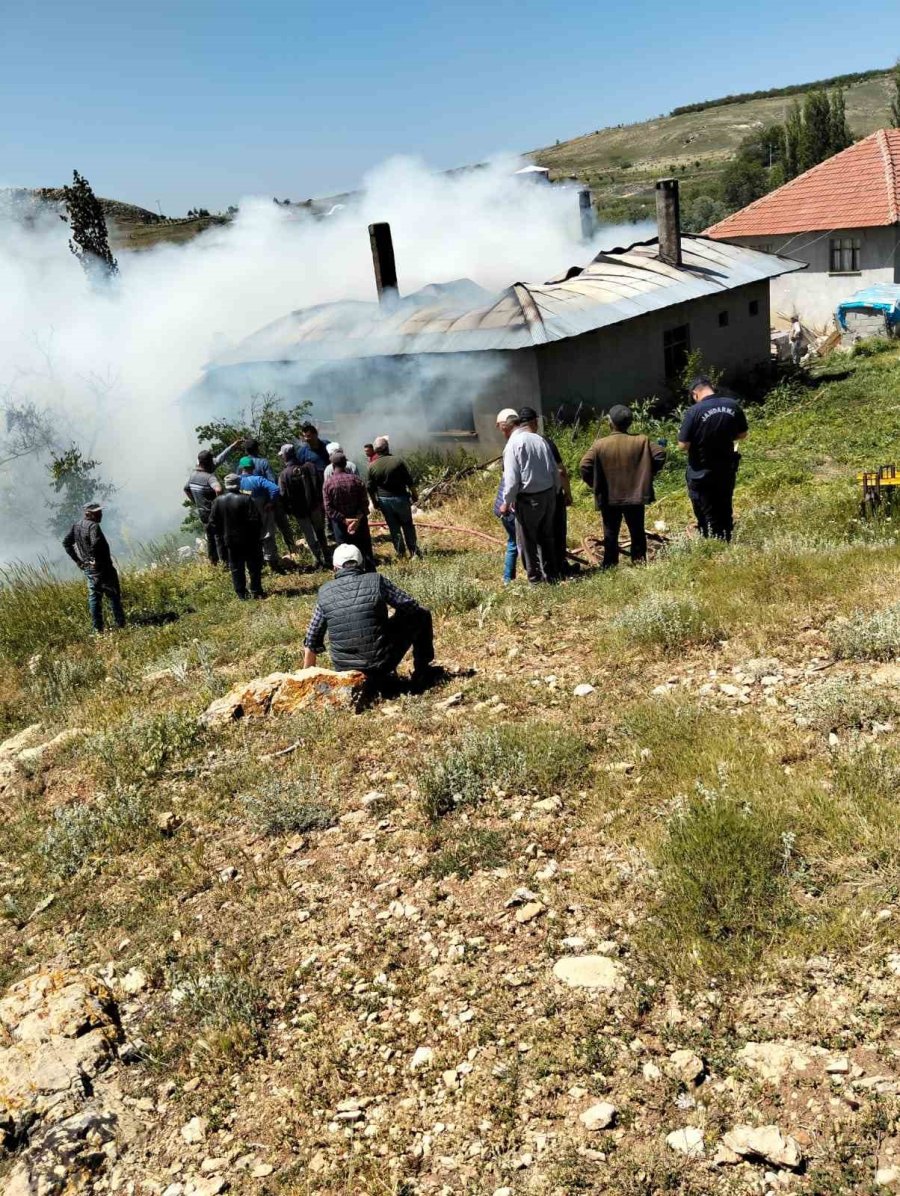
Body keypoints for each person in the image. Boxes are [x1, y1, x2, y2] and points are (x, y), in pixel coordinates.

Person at [303, 544, 440, 691]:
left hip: (345, 672)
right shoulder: (376, 580)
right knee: (421, 614)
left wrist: (305, 680)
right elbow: (411, 606)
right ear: (362, 565)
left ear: (335, 569)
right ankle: (422, 671)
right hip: (381, 665)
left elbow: (311, 639)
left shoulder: (324, 592)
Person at [579, 405, 666, 568]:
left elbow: (584, 466)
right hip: (635, 494)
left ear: (610, 423)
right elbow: (660, 454)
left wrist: (595, 484)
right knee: (637, 531)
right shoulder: (641, 440)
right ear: (629, 423)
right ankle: (639, 562)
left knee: (610, 532)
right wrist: (646, 473)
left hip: (609, 496)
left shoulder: (600, 444)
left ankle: (610, 564)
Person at [678, 376, 748, 542]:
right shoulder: (732, 405)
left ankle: (712, 543)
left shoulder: (694, 411)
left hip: (701, 471)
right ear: (711, 388)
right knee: (724, 505)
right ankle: (726, 537)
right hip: (726, 468)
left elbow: (683, 445)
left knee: (705, 509)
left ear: (695, 394)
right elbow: (742, 434)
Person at [498, 406, 560, 583]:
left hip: (529, 499)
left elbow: (511, 480)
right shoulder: (539, 439)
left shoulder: (512, 446)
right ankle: (552, 575)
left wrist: (505, 503)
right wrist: (555, 492)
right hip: (548, 495)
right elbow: (554, 469)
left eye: (501, 429)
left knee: (528, 540)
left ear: (506, 428)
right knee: (547, 536)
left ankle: (535, 579)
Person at [518, 408, 574, 577]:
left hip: (527, 498)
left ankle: (534, 571)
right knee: (554, 533)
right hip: (552, 495)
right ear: (534, 422)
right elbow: (560, 471)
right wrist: (567, 493)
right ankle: (556, 568)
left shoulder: (515, 443)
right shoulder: (545, 442)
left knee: (529, 537)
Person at [62, 503, 126, 633]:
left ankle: (98, 629)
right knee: (113, 594)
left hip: (89, 568)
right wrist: (93, 559)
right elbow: (95, 543)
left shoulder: (77, 526)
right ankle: (121, 625)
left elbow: (66, 543)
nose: (101, 514)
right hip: (102, 567)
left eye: (100, 511)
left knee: (95, 598)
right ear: (88, 514)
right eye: (97, 512)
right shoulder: (93, 526)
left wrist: (79, 562)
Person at [366, 435, 422, 559]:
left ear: (375, 450)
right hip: (401, 498)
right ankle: (414, 551)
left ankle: (400, 553)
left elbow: (370, 488)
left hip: (384, 501)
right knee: (407, 525)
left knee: (394, 527)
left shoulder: (372, 466)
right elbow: (409, 481)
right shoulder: (398, 461)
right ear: (387, 448)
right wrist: (414, 494)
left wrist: (375, 502)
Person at [210, 474, 264, 599]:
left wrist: (221, 535)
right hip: (249, 539)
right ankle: (256, 591)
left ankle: (241, 594)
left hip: (230, 540)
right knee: (254, 566)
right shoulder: (246, 499)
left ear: (226, 485)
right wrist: (257, 536)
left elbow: (213, 522)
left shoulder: (217, 501)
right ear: (238, 484)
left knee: (236, 568)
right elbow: (256, 520)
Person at [278, 444, 329, 568]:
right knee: (320, 532)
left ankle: (317, 561)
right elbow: (320, 484)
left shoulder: (284, 475)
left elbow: (283, 494)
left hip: (299, 511)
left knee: (309, 535)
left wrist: (288, 510)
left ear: (285, 456)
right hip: (315, 506)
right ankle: (327, 556)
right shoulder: (310, 467)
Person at [324, 452, 374, 568]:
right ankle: (371, 576)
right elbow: (365, 503)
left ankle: (349, 580)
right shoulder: (357, 480)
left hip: (340, 526)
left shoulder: (328, 484)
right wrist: (356, 519)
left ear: (332, 465)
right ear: (346, 463)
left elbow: (328, 508)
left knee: (345, 556)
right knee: (365, 551)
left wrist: (345, 520)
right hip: (360, 523)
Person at [238, 456, 283, 567]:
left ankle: (257, 561)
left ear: (241, 468)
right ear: (253, 468)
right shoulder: (258, 479)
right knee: (267, 534)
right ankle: (271, 561)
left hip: (246, 512)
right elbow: (275, 489)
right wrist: (270, 503)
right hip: (262, 509)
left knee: (252, 537)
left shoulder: (237, 481)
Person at [183, 450, 225, 566]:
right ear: (209, 462)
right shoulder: (209, 477)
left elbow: (186, 489)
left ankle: (213, 561)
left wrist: (195, 502)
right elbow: (218, 489)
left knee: (210, 537)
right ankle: (224, 563)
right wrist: (219, 504)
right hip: (213, 512)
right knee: (219, 537)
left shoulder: (193, 476)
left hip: (202, 512)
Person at [493, 409, 520, 583]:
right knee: (520, 542)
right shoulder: (513, 447)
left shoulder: (511, 446)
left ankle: (507, 579)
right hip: (508, 506)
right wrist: (508, 503)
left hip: (504, 505)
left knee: (513, 542)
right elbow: (512, 481)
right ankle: (536, 576)